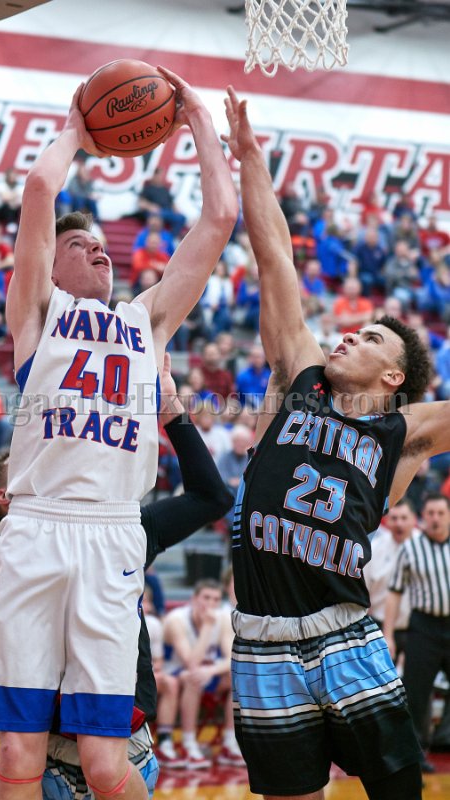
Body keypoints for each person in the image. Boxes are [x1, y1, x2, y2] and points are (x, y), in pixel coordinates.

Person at [0, 70, 237, 800]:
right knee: (19, 757)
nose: (100, 252)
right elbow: (40, 187)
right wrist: (76, 127)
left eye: (103, 246)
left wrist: (196, 118)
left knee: (103, 761)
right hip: (36, 526)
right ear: (51, 263)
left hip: (114, 533)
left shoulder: (146, 321)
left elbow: (218, 219)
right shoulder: (38, 312)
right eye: (81, 245)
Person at [221, 86, 450, 800]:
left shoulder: (403, 434)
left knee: (399, 790)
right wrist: (250, 157)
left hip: (345, 632)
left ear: (392, 376)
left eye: (370, 337)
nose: (349, 334)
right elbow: (274, 258)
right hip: (261, 635)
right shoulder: (301, 376)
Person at [0, 353, 234, 798]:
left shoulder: (118, 528)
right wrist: (10, 567)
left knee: (106, 767)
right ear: (5, 496)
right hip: (41, 754)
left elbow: (213, 496)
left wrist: (171, 411)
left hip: (123, 746)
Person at [383, 493, 450, 773]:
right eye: (430, 513)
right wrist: (388, 634)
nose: (435, 518)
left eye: (440, 513)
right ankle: (415, 753)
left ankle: (444, 738)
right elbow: (394, 593)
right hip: (424, 627)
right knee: (416, 693)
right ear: (423, 517)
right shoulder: (411, 549)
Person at [160, 579, 244, 769]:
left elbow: (233, 658)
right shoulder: (176, 620)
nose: (211, 603)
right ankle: (189, 745)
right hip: (175, 672)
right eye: (206, 597)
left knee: (237, 676)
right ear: (194, 599)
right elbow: (190, 663)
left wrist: (210, 670)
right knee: (193, 677)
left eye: (216, 599)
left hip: (207, 672)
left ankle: (229, 744)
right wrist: (207, 627)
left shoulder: (223, 618)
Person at [363, 499, 420, 662]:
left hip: (417, 629)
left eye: (404, 518)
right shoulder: (374, 548)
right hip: (378, 627)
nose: (399, 523)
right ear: (386, 521)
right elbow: (364, 592)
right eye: (394, 518)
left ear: (414, 519)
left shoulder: (424, 547)